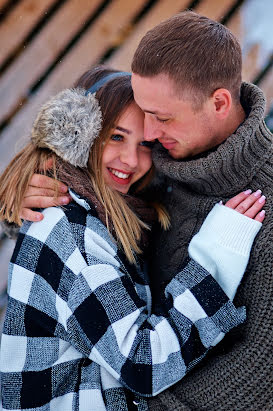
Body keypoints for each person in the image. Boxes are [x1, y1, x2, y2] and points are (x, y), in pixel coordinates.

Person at [19, 11, 273, 411]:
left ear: (220, 102)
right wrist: (31, 203)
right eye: (119, 134)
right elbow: (141, 359)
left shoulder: (161, 193)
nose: (150, 138)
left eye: (161, 119)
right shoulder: (91, 209)